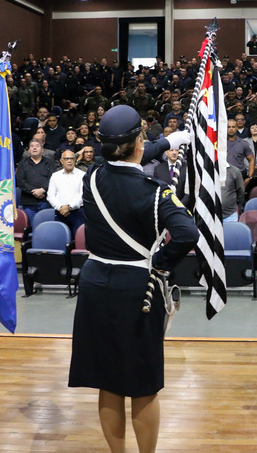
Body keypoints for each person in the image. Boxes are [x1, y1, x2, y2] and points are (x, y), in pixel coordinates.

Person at [68, 105, 197, 453]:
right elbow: (187, 234)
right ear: (138, 142)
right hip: (137, 285)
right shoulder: (155, 192)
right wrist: (162, 263)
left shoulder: (91, 177)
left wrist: (167, 141)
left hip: (95, 282)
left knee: (107, 382)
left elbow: (128, 156)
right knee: (142, 384)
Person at [16, 139, 58, 224]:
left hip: (46, 201)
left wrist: (42, 190)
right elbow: (20, 181)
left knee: (46, 228)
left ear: (42, 149)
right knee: (32, 229)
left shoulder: (49, 162)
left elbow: (53, 179)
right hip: (28, 203)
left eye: (37, 146)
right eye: (32, 146)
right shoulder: (22, 163)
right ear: (29, 150)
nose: (34, 148)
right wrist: (35, 191)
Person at [47, 150, 86, 237]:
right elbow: (50, 195)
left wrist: (69, 207)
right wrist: (60, 207)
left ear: (75, 160)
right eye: (66, 158)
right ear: (61, 161)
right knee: (59, 240)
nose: (69, 161)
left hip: (77, 214)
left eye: (71, 158)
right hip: (60, 213)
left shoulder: (82, 175)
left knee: (78, 241)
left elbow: (83, 195)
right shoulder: (55, 176)